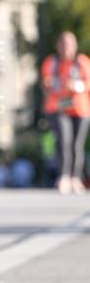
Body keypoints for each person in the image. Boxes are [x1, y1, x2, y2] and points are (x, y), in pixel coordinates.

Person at [41, 31, 90, 194]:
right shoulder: (52, 62)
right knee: (63, 141)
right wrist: (56, 85)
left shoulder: (82, 62)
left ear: (75, 46)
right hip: (58, 107)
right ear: (58, 46)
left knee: (77, 144)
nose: (66, 47)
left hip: (80, 108)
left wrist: (77, 86)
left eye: (69, 43)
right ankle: (63, 177)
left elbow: (88, 82)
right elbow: (46, 82)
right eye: (63, 43)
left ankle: (76, 177)